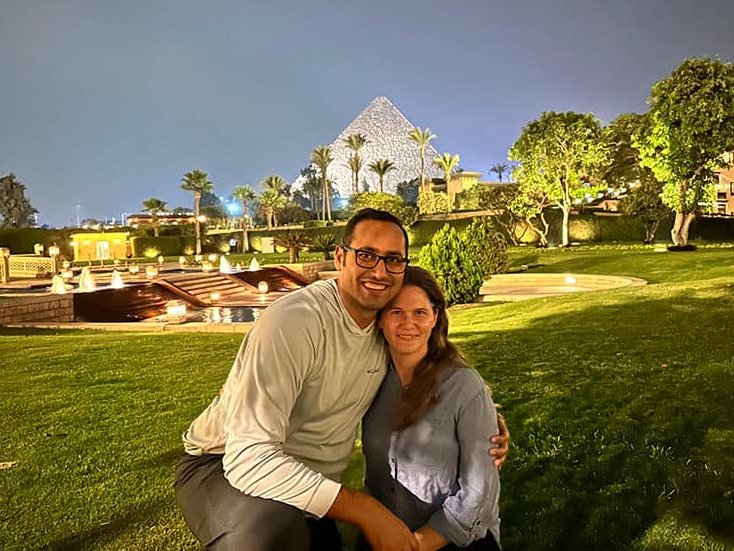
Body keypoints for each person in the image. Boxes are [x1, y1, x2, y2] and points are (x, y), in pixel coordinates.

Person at [175, 208, 509, 551]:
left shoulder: (384, 328)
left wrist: (480, 422)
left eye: (393, 260)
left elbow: (431, 374)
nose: (379, 271)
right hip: (225, 463)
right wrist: (365, 510)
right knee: (272, 535)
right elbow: (249, 456)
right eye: (366, 256)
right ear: (340, 258)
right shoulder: (295, 322)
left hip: (308, 485)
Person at [359, 267, 501, 550]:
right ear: (380, 321)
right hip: (383, 536)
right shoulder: (365, 382)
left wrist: (418, 544)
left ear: (435, 317)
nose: (407, 323)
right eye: (396, 312)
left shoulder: (463, 386)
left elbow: (479, 490)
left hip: (450, 540)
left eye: (419, 313)